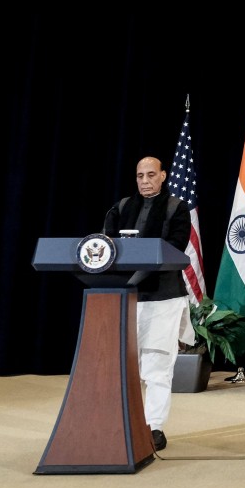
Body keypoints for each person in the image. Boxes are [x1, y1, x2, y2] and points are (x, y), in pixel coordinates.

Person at [103, 156, 194, 452]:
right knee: (124, 366)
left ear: (163, 176)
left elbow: (176, 247)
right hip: (125, 296)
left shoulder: (176, 208)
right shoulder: (121, 207)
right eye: (140, 175)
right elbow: (106, 246)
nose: (145, 180)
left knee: (157, 366)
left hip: (163, 297)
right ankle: (122, 423)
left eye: (151, 174)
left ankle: (154, 426)